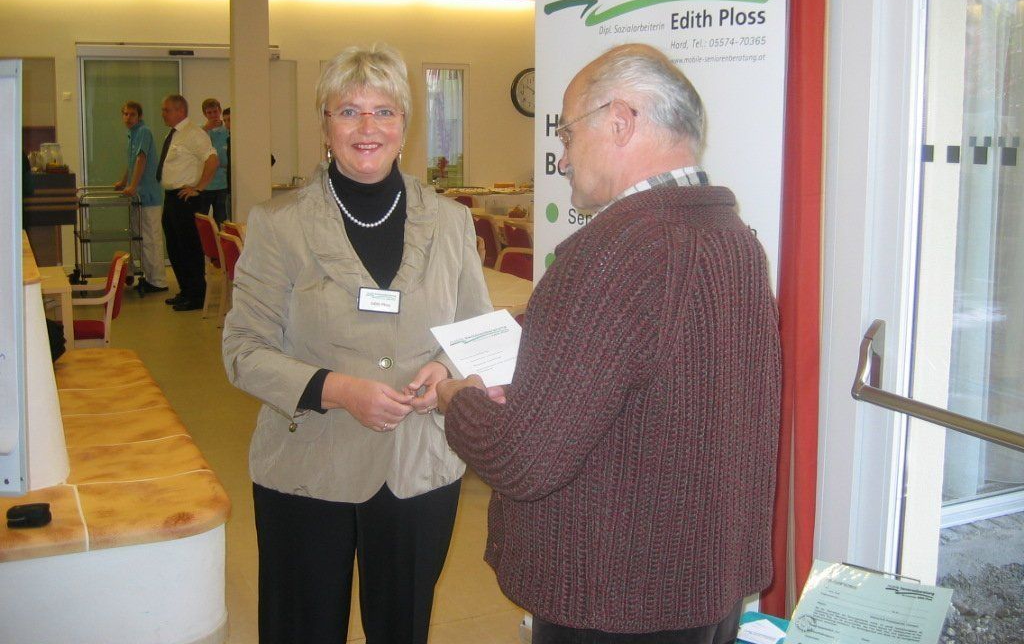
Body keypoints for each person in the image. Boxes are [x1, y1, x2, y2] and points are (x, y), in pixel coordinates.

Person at [437, 44, 783, 644]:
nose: (562, 157)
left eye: (567, 133)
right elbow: (661, 395)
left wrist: (457, 402)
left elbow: (523, 459)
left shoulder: (614, 253)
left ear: (620, 122)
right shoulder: (734, 238)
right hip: (706, 584)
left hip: (613, 599)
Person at [222, 44, 491, 644]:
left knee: (402, 629)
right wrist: (337, 390)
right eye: (348, 111)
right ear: (325, 126)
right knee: (302, 628)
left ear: (405, 125)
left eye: (383, 111)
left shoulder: (451, 222)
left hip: (417, 466)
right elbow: (242, 348)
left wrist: (444, 370)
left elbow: (475, 331)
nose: (367, 127)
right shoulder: (279, 222)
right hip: (306, 465)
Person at [157, 94, 218, 311]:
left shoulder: (194, 133)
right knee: (175, 246)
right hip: (171, 197)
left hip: (186, 198)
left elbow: (212, 160)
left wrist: (198, 187)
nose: (163, 114)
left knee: (189, 247)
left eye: (166, 110)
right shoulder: (174, 134)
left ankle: (197, 295)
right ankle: (185, 290)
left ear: (180, 111)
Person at [113, 101, 168, 293]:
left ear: (139, 116)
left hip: (149, 196)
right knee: (139, 239)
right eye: (125, 114)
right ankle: (147, 277)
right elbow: (132, 162)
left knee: (151, 239)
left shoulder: (144, 131)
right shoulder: (132, 134)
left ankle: (158, 281)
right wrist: (124, 181)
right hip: (138, 196)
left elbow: (141, 159)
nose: (128, 118)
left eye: (132, 114)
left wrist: (133, 186)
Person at [201, 98, 230, 225]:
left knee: (221, 220)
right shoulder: (200, 132)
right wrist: (205, 129)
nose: (213, 115)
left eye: (215, 111)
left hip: (222, 184)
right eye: (209, 113)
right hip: (204, 184)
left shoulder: (228, 131)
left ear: (220, 111)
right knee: (202, 220)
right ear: (204, 114)